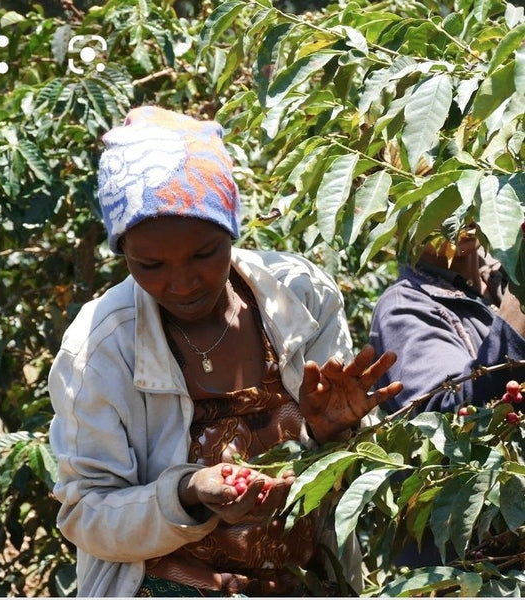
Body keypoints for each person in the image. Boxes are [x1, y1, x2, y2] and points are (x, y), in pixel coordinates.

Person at [48, 106, 402, 597]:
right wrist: (188, 493)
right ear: (123, 251)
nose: (183, 282)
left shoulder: (303, 297)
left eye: (205, 253)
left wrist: (330, 432)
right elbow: (86, 510)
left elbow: (358, 476)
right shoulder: (98, 349)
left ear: (232, 231)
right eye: (150, 264)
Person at [369, 225, 525, 415]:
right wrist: (519, 299)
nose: (456, 205)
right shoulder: (401, 308)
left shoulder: (504, 268)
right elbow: (451, 419)